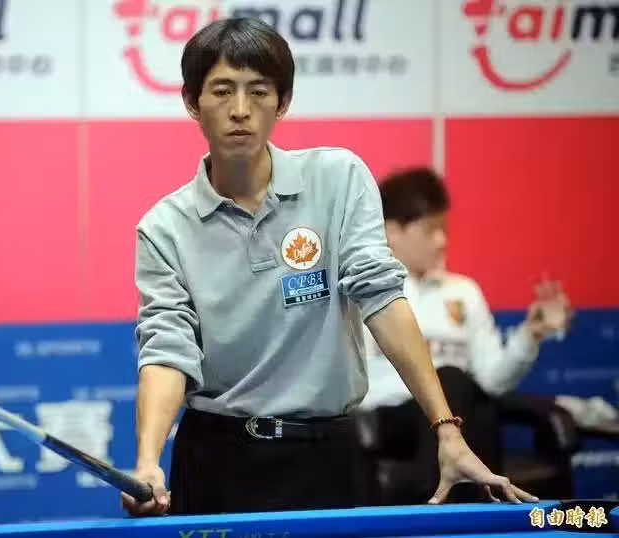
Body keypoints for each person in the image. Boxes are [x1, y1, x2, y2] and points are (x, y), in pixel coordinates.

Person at [123, 17, 539, 517]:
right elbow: (167, 350)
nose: (240, 109)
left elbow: (381, 298)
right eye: (222, 91)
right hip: (216, 459)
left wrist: (446, 430)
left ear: (283, 101)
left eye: (259, 91)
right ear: (192, 101)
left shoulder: (338, 179)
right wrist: (148, 461)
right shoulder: (164, 227)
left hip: (327, 454)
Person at [358, 166, 573, 504]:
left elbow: (492, 379)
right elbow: (360, 386)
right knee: (452, 380)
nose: (441, 241)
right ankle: (469, 512)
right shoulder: (366, 292)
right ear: (392, 231)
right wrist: (432, 384)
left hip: (462, 413)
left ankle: (463, 513)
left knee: (471, 394)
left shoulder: (464, 292)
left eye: (443, 229)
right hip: (396, 418)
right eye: (429, 230)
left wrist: (530, 335)